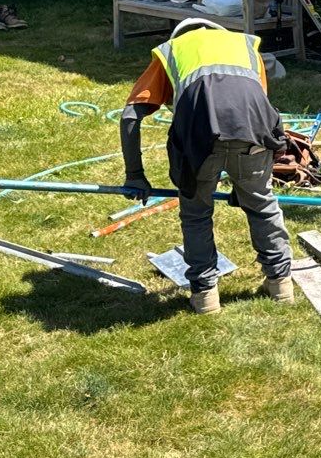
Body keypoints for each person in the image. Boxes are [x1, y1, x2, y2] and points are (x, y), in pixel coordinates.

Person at [120, 18, 295, 314]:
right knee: (262, 205)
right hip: (255, 133)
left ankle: (205, 297)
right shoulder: (245, 45)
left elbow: (130, 117)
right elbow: (253, 106)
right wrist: (247, 184)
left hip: (199, 138)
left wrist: (135, 176)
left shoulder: (171, 51)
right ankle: (281, 284)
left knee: (196, 212)